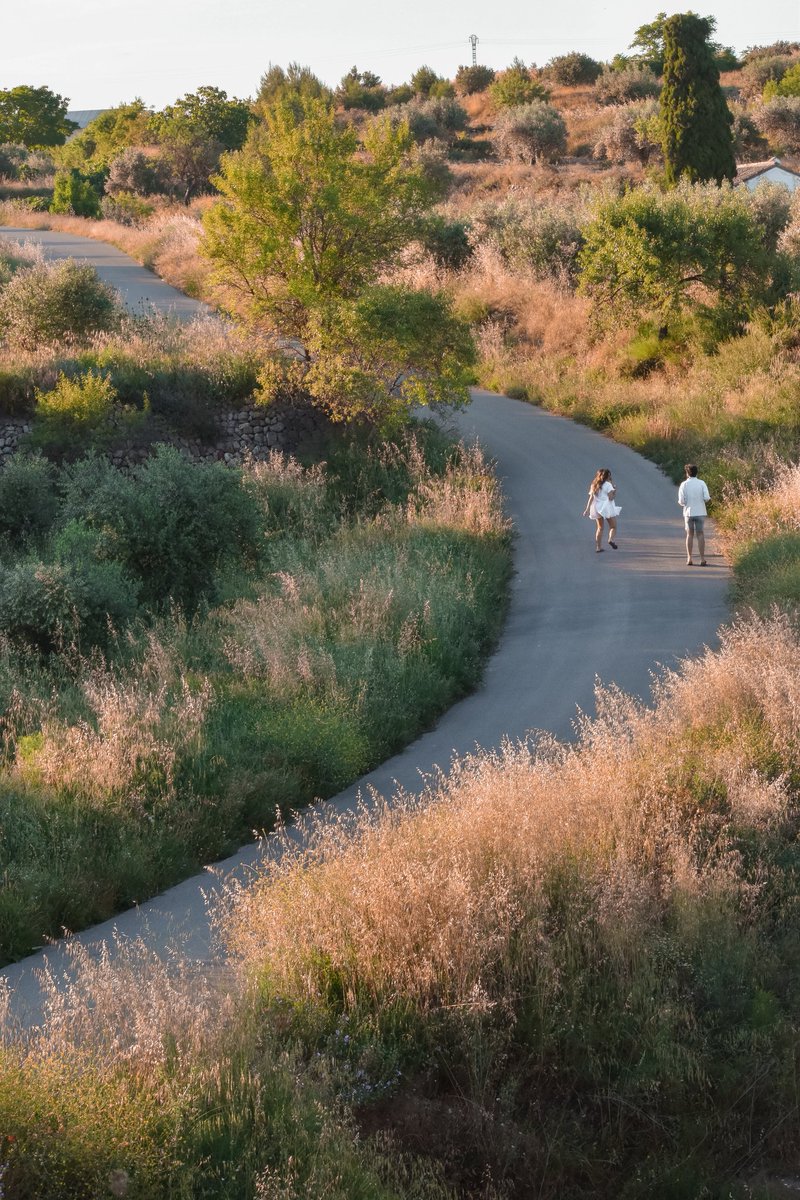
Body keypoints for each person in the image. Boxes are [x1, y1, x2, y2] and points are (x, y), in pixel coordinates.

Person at [677, 463, 711, 566]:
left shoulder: (684, 484)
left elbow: (681, 501)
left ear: (687, 473)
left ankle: (689, 558)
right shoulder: (702, 483)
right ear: (697, 473)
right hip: (700, 511)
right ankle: (702, 558)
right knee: (700, 534)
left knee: (689, 534)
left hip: (688, 512)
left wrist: (685, 503)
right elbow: (707, 498)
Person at [583, 468, 620, 553]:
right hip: (606, 507)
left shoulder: (594, 484)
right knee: (613, 526)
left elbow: (591, 498)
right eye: (609, 476)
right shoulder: (608, 485)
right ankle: (611, 540)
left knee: (600, 528)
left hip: (596, 508)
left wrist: (587, 509)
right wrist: (614, 491)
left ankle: (598, 548)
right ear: (607, 476)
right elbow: (611, 498)